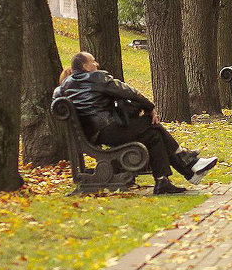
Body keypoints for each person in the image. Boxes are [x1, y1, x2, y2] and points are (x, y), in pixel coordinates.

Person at [52, 51, 217, 194]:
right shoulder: (96, 77)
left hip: (94, 134)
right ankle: (188, 163)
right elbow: (127, 91)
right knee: (151, 123)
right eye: (93, 61)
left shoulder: (63, 87)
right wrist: (150, 107)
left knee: (153, 135)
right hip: (108, 128)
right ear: (85, 67)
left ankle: (164, 181)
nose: (97, 64)